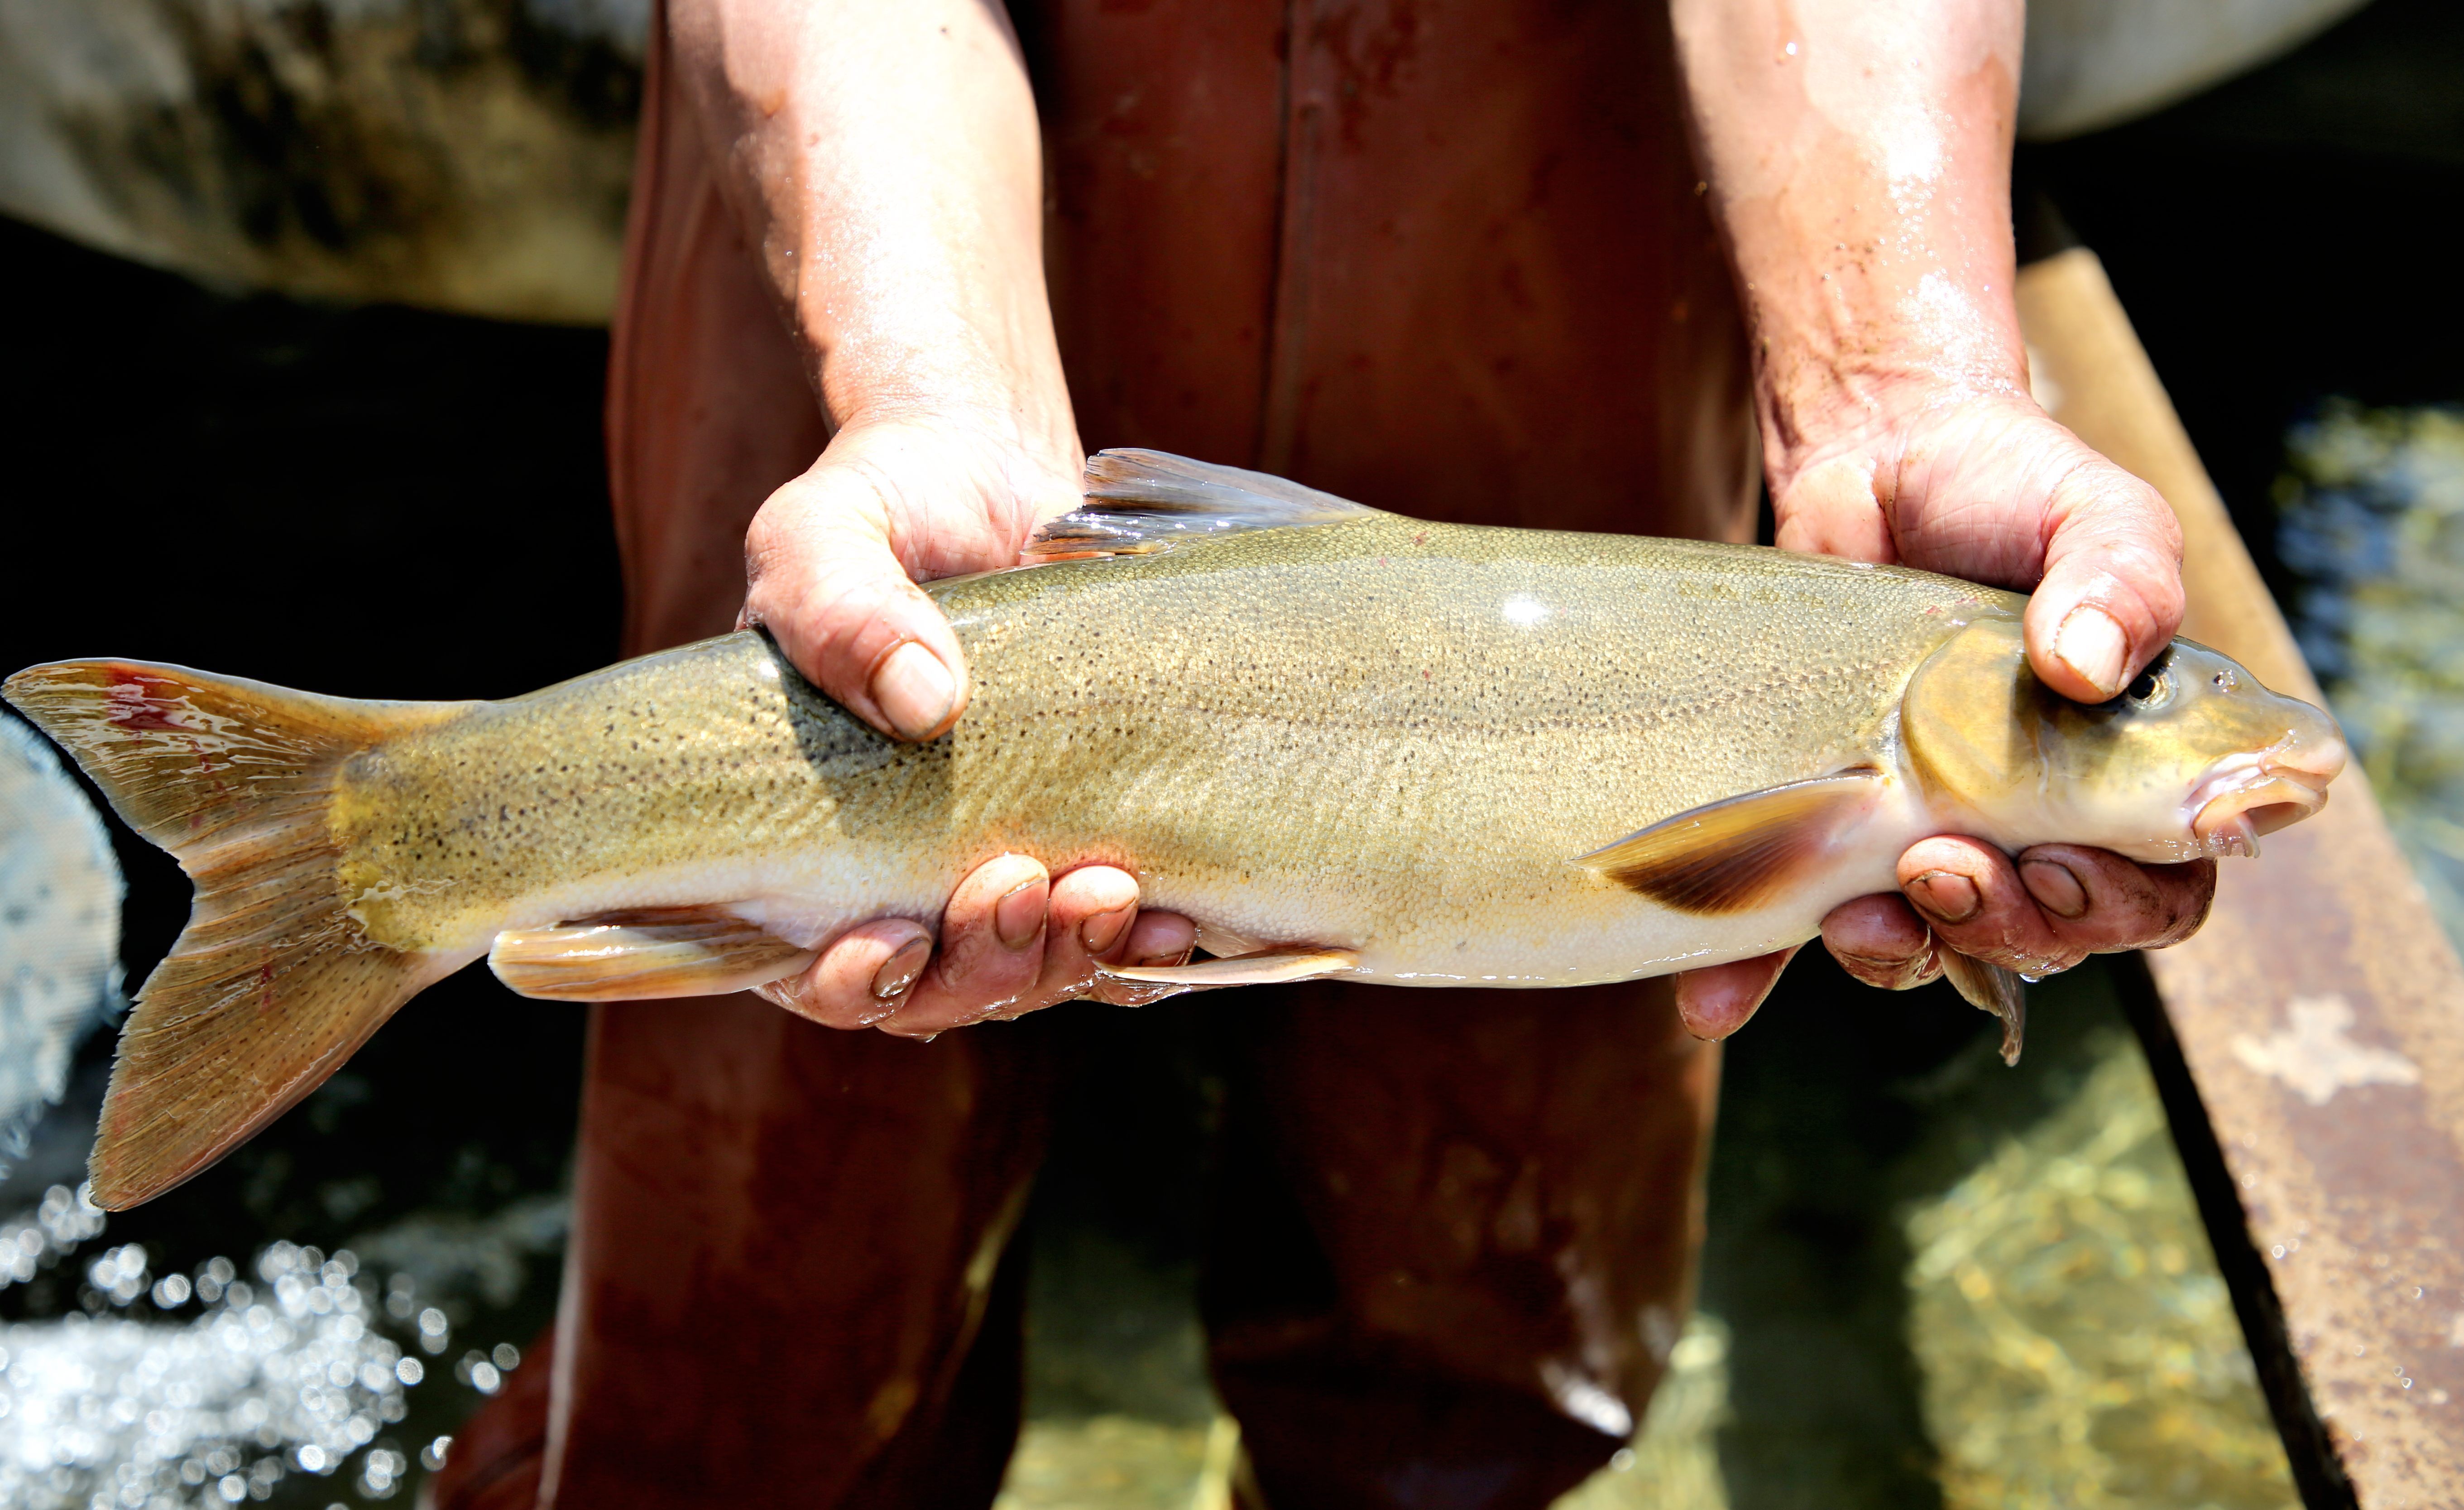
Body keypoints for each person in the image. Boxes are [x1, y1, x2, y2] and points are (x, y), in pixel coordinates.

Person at [434, 1, 2216, 1506]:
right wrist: (920, 389)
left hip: (1572, 234)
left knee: (1480, 1300)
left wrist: (1901, 383)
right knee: (751, 1298)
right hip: (890, 214)